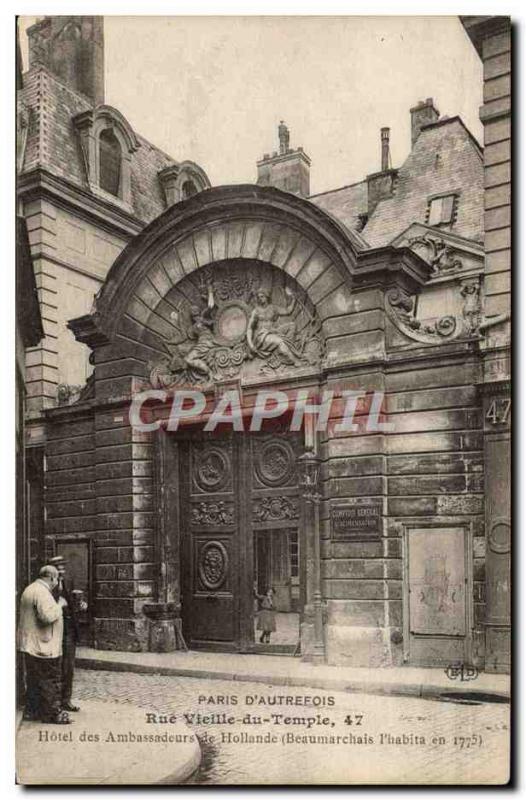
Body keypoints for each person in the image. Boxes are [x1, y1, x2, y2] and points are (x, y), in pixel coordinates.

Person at [17, 565, 70, 724]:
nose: (57, 583)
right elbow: (46, 617)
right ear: (52, 577)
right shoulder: (42, 592)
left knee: (34, 679)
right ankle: (51, 714)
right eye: (56, 579)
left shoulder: (30, 589)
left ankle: (32, 711)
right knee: (49, 679)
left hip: (30, 644)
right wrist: (59, 605)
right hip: (43, 646)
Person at [49, 555, 87, 713]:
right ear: (52, 570)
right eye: (59, 567)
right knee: (56, 666)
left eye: (63, 567)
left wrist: (81, 605)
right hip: (54, 629)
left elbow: (73, 605)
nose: (62, 570)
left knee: (69, 666)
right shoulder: (49, 586)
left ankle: (66, 700)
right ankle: (55, 702)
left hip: (69, 629)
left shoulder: (69, 582)